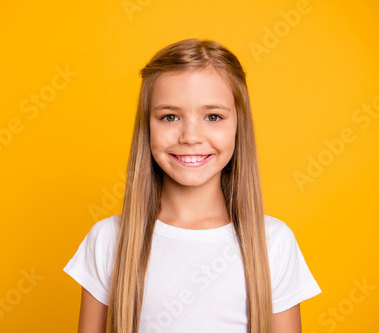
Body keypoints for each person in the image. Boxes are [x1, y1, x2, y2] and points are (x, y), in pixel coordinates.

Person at [63, 38, 321, 333]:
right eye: (170, 116)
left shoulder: (272, 242)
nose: (190, 136)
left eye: (213, 116)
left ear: (239, 124)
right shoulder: (109, 240)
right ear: (147, 126)